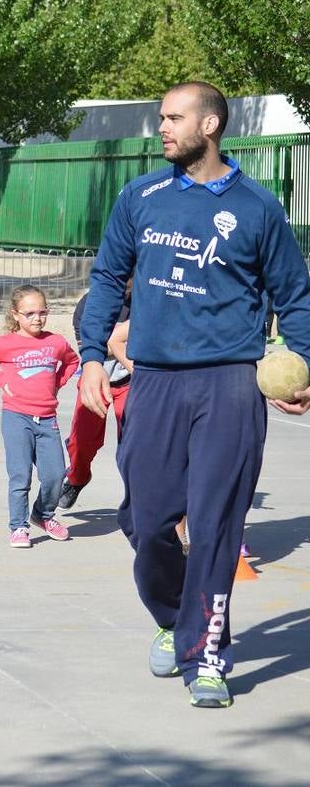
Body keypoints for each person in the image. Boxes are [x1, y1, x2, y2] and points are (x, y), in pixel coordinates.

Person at [78, 81, 310, 709]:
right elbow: (106, 278)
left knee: (214, 525)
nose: (162, 128)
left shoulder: (259, 208)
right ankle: (172, 615)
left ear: (210, 125)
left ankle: (208, 653)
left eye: (173, 118)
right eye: (161, 118)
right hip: (153, 380)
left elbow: (295, 296)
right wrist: (93, 356)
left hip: (230, 384)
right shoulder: (141, 197)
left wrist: (305, 366)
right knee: (146, 521)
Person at [0, 285, 79, 548]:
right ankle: (18, 526)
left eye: (42, 312)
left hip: (47, 418)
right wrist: (0, 380)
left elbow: (73, 362)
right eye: (29, 313)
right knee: (20, 476)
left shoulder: (55, 342)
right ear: (15, 315)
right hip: (16, 417)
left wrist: (57, 382)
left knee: (54, 475)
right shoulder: (5, 344)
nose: (37, 318)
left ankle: (42, 514)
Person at [58, 283, 133, 511]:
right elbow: (88, 347)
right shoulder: (91, 303)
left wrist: (106, 341)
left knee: (135, 445)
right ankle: (77, 478)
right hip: (95, 380)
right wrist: (118, 342)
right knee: (82, 441)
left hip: (132, 382)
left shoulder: (148, 299)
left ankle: (138, 498)